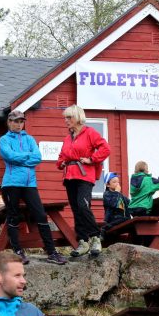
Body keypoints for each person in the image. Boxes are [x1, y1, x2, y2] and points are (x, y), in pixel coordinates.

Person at [0, 110, 68, 265]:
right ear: (9, 122)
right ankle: (18, 252)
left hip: (30, 184)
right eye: (16, 121)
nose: (19, 124)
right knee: (13, 216)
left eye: (21, 121)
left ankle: (51, 252)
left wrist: (20, 158)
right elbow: (9, 156)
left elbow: (37, 157)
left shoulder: (30, 139)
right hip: (11, 183)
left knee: (41, 215)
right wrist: (27, 156)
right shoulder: (4, 140)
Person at [56, 105, 110, 258]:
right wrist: (61, 163)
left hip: (85, 175)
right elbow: (61, 157)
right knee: (76, 209)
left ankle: (96, 238)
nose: (66, 120)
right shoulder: (68, 138)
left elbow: (105, 149)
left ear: (78, 118)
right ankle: (83, 242)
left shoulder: (90, 133)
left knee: (83, 205)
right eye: (65, 118)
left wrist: (92, 159)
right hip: (69, 177)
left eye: (69, 117)